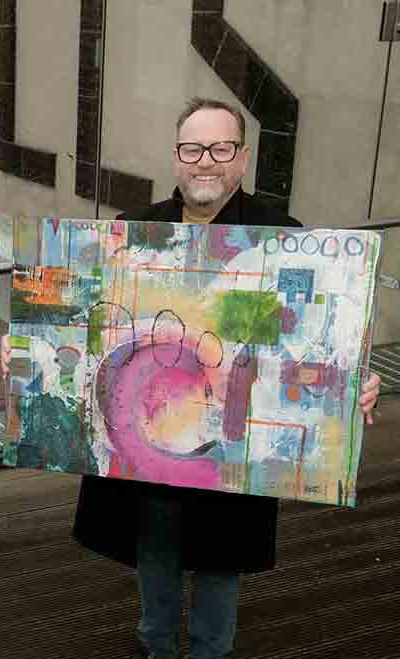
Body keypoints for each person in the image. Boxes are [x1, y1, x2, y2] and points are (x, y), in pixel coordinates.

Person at [71, 97, 383, 659]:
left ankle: (211, 653)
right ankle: (156, 646)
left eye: (219, 148)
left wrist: (350, 385)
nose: (205, 161)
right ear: (176, 158)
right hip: (151, 430)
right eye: (193, 148)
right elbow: (88, 328)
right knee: (155, 549)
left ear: (241, 158)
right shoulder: (132, 231)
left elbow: (315, 337)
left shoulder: (282, 238)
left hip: (233, 437)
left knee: (219, 563)